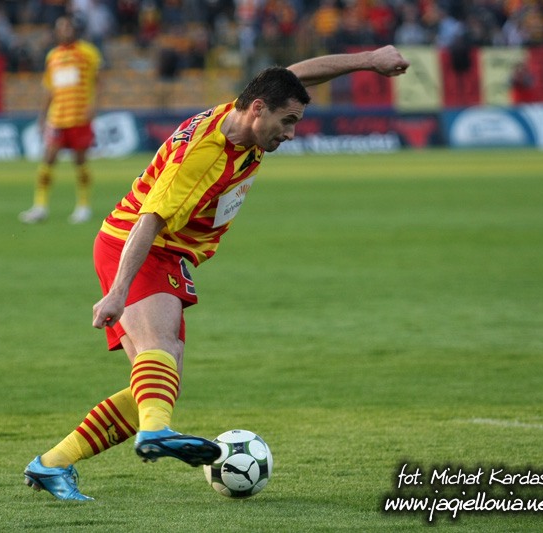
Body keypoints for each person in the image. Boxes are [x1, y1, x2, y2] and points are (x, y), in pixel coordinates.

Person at [23, 45, 410, 501]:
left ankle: (53, 463)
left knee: (156, 383)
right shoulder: (204, 155)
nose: (291, 133)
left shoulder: (242, 115)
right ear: (258, 109)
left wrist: (369, 59)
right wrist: (118, 293)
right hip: (140, 247)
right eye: (287, 122)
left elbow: (293, 75)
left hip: (164, 251)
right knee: (161, 350)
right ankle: (155, 433)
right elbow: (149, 220)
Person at [19, 15, 102, 224]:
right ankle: (40, 206)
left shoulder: (88, 52)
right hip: (57, 117)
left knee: (80, 162)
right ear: (56, 32)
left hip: (79, 116)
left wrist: (94, 106)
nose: (65, 31)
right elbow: (49, 89)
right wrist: (42, 116)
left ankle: (83, 206)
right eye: (61, 27)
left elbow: (99, 81)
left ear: (74, 29)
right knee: (48, 159)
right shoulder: (53, 56)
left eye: (68, 27)